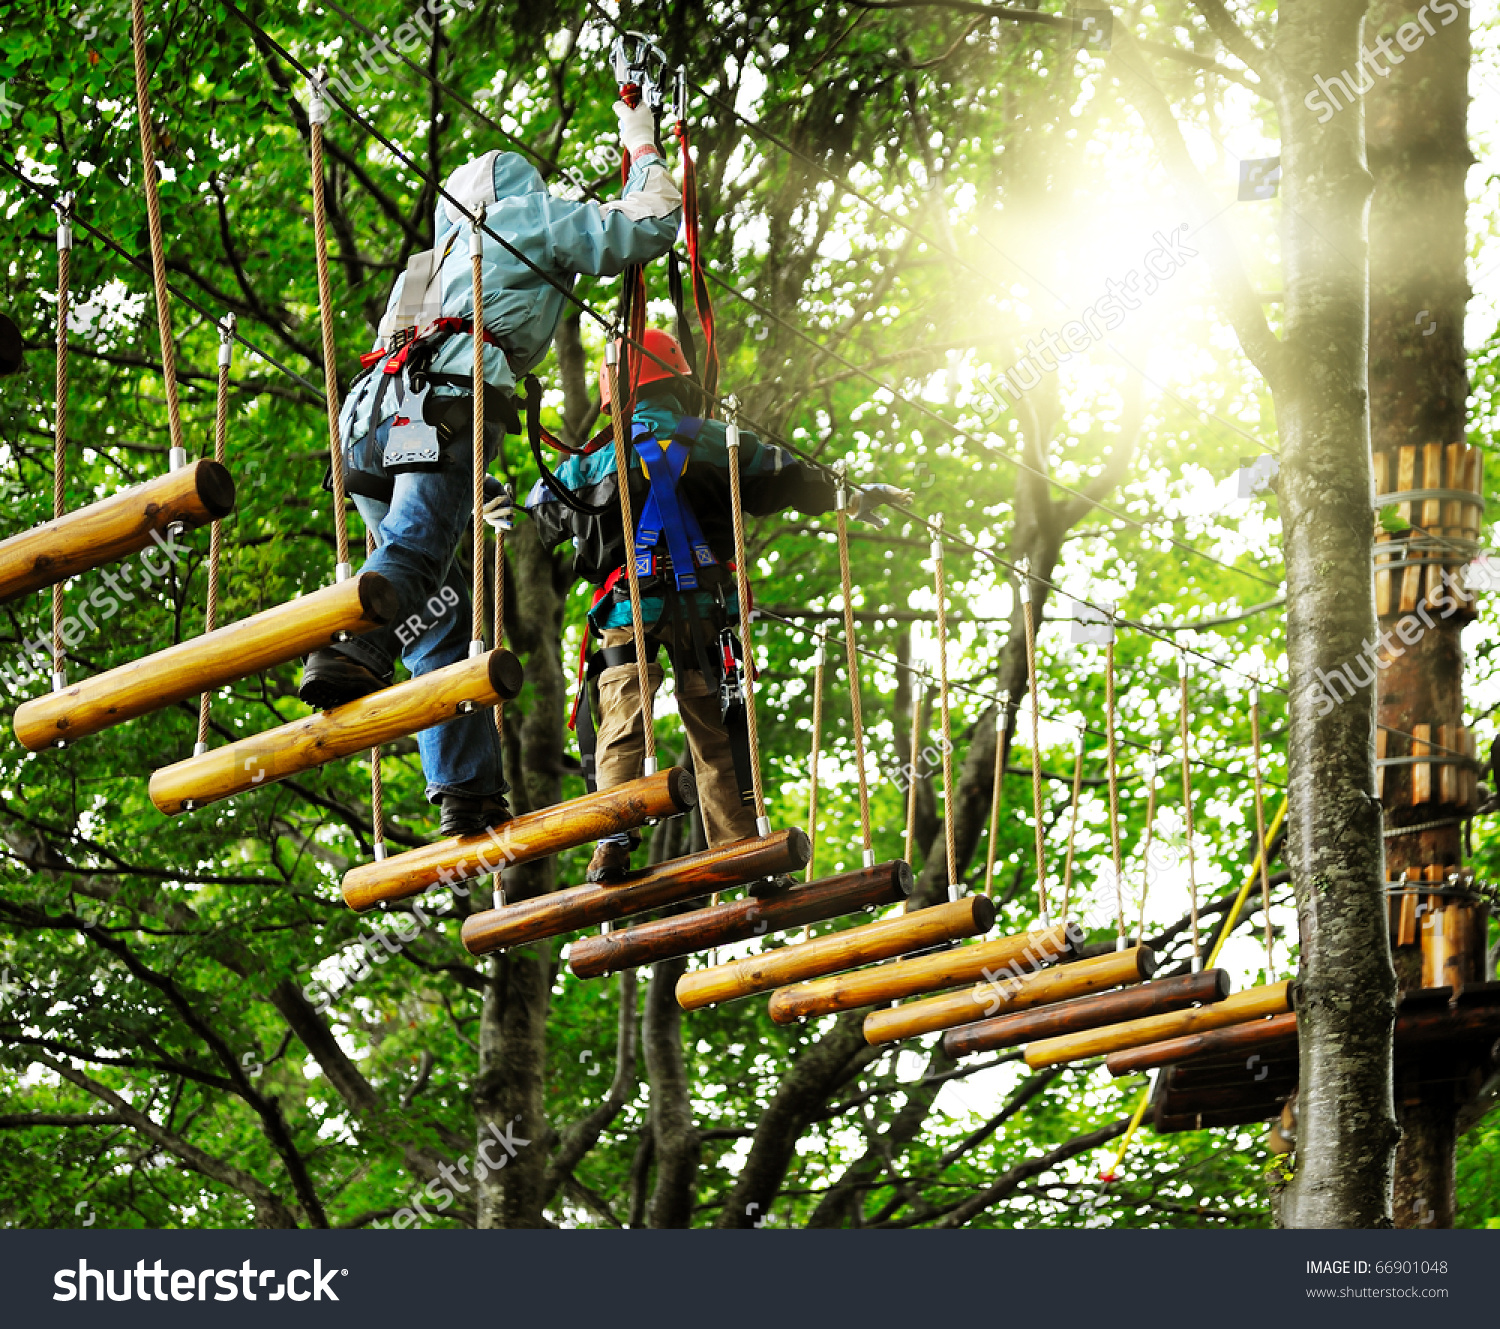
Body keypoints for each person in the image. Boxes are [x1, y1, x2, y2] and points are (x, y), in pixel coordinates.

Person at [298, 99, 681, 839]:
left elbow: (401, 359)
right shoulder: (525, 219)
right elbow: (650, 222)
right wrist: (640, 138)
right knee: (418, 544)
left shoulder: (425, 265)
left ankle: (465, 790)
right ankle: (355, 643)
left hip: (365, 429)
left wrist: (474, 481)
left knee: (440, 610)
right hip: (444, 401)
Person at [525, 328, 911, 882]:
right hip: (706, 611)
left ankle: (611, 838)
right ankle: (743, 851)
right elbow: (793, 477)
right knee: (718, 735)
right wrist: (850, 493)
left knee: (621, 719)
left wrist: (493, 501)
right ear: (682, 385)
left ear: (615, 394)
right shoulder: (721, 442)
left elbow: (542, 510)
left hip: (627, 611)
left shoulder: (591, 464)